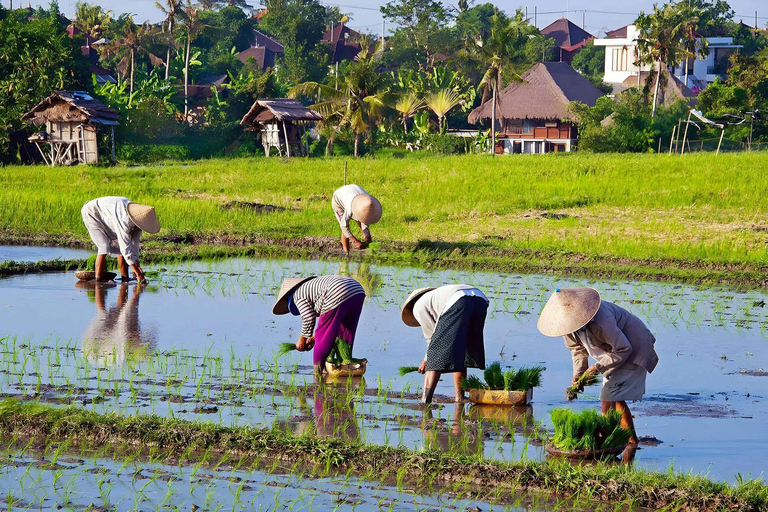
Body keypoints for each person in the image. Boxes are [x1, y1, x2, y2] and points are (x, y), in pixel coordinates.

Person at [537, 287, 659, 444]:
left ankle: (608, 437)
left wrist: (596, 368)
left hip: (634, 347)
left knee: (609, 397)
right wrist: (578, 375)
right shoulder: (567, 327)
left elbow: (624, 348)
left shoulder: (601, 319)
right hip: (613, 353)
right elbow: (578, 351)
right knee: (613, 397)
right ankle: (630, 441)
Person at [401, 285, 488, 404]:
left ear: (411, 305)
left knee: (435, 355)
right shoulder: (436, 299)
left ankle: (425, 401)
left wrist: (426, 360)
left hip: (458, 300)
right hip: (480, 299)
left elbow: (432, 340)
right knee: (461, 350)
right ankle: (460, 398)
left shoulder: (418, 307)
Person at [273, 275, 366, 375]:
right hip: (357, 290)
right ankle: (346, 365)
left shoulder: (297, 295)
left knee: (323, 337)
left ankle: (318, 371)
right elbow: (333, 323)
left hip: (335, 291)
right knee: (345, 333)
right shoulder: (310, 287)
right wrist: (314, 338)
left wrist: (302, 338)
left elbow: (308, 318)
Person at [81, 196, 159, 283]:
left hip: (109, 214)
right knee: (104, 246)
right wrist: (138, 273)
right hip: (92, 212)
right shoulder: (125, 219)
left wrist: (137, 263)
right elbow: (125, 247)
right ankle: (98, 279)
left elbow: (135, 244)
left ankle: (125, 278)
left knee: (120, 247)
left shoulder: (139, 221)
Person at [331, 184, 382, 253]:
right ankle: (346, 253)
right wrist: (355, 241)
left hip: (353, 193)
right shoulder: (349, 208)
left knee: (361, 220)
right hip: (338, 199)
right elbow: (343, 225)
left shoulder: (367, 202)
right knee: (345, 229)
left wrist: (367, 238)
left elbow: (364, 221)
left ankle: (365, 244)